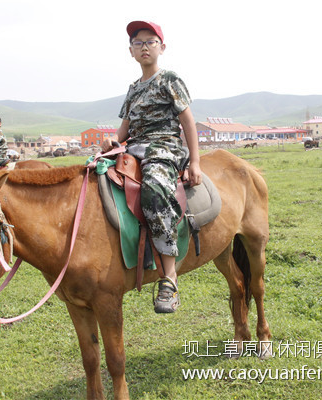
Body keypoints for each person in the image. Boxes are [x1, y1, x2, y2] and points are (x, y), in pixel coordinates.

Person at [102, 21, 202, 313]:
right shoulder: (133, 89)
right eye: (138, 42)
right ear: (131, 51)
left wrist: (194, 161)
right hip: (133, 147)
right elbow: (125, 127)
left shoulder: (169, 79)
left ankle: (169, 278)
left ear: (162, 47)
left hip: (164, 148)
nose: (144, 46)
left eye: (150, 41)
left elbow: (188, 122)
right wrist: (113, 140)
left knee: (154, 192)